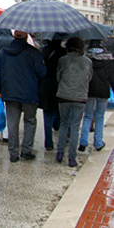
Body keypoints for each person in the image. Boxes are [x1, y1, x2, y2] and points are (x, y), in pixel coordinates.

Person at [0, 30, 47, 163]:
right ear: (26, 37)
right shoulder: (34, 52)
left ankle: (13, 153)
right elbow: (42, 73)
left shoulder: (4, 52)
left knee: (12, 122)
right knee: (30, 121)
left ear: (14, 36)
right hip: (29, 93)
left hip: (10, 92)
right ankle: (26, 150)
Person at [56, 37, 93, 167]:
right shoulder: (88, 62)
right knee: (75, 127)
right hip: (80, 96)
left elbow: (58, 77)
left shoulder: (63, 60)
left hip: (64, 95)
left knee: (64, 124)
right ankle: (72, 158)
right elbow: (89, 78)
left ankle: (60, 152)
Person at [79, 39, 114, 153]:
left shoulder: (85, 59)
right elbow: (112, 78)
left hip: (89, 90)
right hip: (103, 91)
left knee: (88, 116)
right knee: (100, 116)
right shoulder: (108, 60)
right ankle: (98, 142)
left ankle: (83, 142)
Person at [38, 39, 65, 151]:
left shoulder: (43, 51)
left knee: (47, 114)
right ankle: (58, 127)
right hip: (59, 85)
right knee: (60, 111)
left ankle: (48, 142)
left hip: (45, 85)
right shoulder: (63, 53)